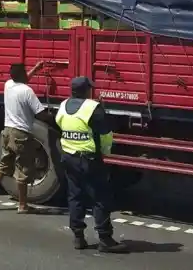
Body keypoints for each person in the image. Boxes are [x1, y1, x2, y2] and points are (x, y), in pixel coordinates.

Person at [55, 76, 127, 253]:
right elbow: (105, 134)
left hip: (69, 158)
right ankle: (105, 239)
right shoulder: (93, 108)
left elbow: (60, 125)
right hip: (89, 160)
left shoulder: (62, 106)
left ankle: (78, 237)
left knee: (75, 197)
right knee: (100, 198)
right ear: (86, 90)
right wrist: (106, 152)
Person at [0, 60, 48, 214]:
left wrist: (35, 69)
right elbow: (41, 114)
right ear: (22, 75)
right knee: (23, 169)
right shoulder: (27, 91)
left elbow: (23, 80)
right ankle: (22, 205)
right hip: (21, 134)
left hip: (7, 131)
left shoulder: (8, 85)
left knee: (3, 165)